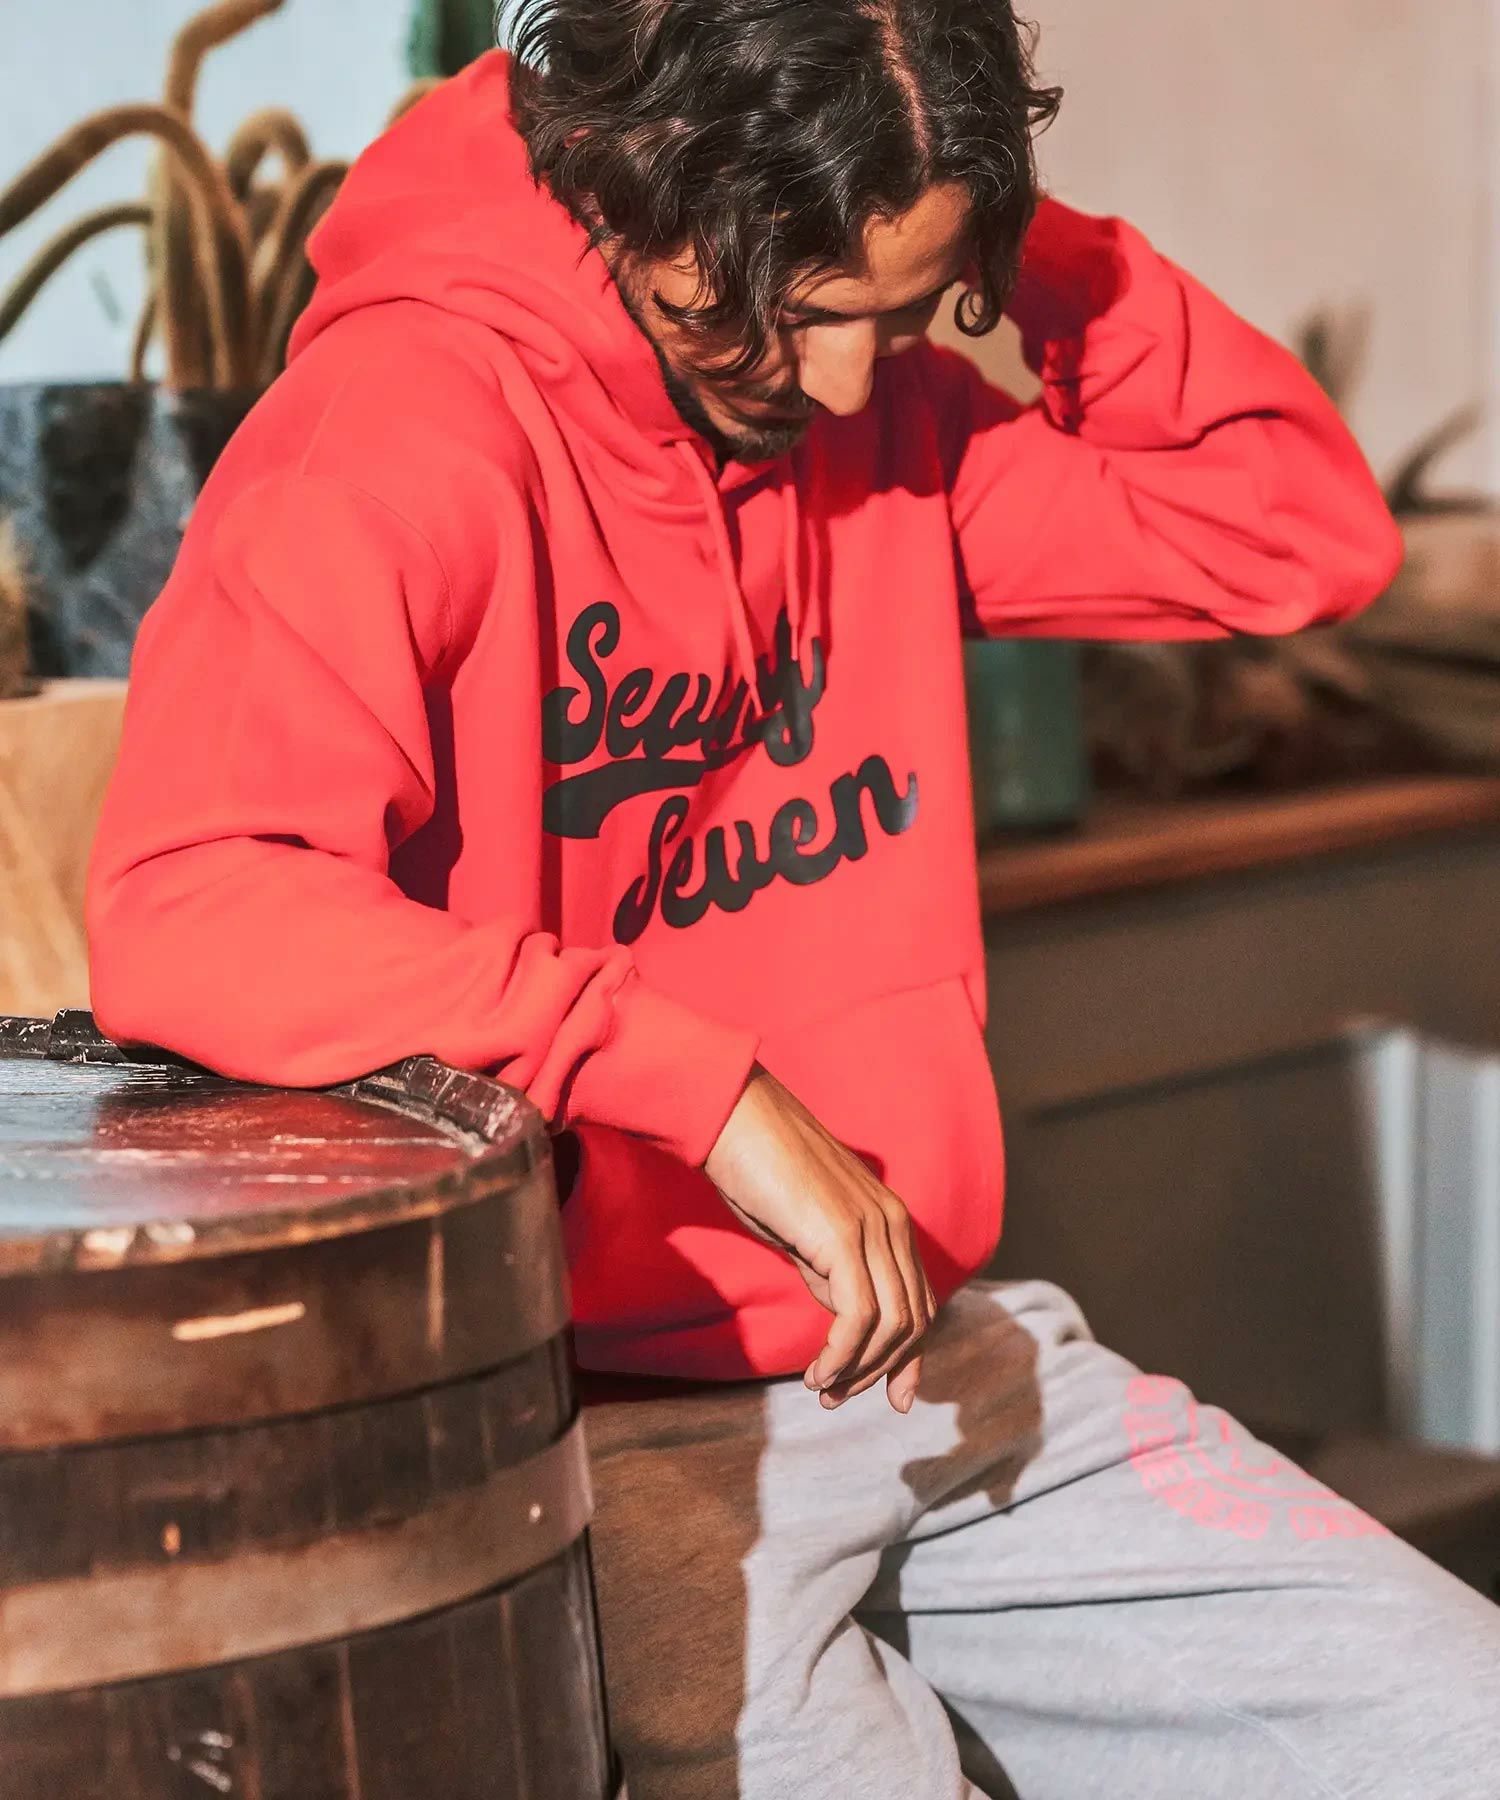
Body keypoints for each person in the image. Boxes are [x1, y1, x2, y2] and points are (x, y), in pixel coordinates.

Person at [86, 5, 1500, 1795]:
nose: (840, 385)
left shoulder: (876, 411)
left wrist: (982, 212)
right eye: (799, 310)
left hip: (933, 1367)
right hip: (580, 1430)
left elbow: (1296, 530)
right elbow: (190, 898)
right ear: (637, 183)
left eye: (895, 320)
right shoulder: (393, 427)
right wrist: (708, 1089)